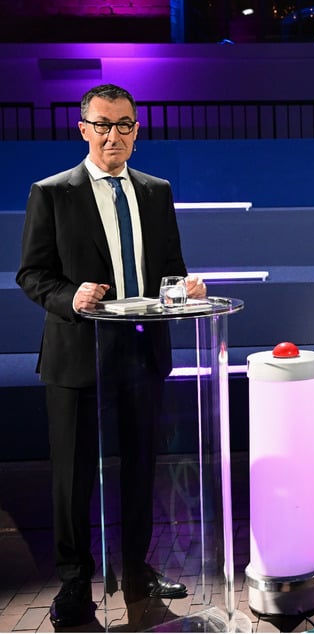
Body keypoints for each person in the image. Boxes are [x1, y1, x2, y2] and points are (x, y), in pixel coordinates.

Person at [17, 83, 207, 628]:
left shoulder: (155, 190)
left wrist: (183, 289)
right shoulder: (52, 192)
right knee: (72, 478)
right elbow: (32, 274)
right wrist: (69, 297)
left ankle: (136, 570)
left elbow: (168, 267)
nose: (113, 136)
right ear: (84, 129)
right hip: (76, 358)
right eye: (102, 125)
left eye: (124, 125)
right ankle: (75, 585)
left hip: (142, 353)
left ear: (137, 131)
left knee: (141, 470)